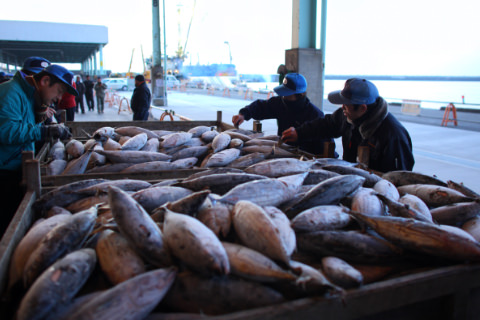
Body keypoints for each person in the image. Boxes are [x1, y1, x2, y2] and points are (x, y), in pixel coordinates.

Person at [0, 64, 75, 236]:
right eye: (59, 90)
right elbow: (5, 130)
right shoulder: (11, 92)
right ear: (45, 81)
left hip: (17, 168)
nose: (59, 98)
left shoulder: (28, 96)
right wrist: (44, 131)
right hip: (4, 172)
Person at [281, 78, 415, 172]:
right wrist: (299, 133)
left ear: (362, 108)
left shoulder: (393, 136)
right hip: (350, 178)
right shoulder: (348, 115)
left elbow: (400, 176)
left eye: (346, 105)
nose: (342, 108)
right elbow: (327, 125)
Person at [232, 73, 335, 155]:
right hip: (281, 151)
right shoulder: (281, 103)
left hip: (306, 157)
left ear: (301, 94)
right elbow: (261, 106)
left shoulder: (315, 115)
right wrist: (243, 114)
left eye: (287, 94)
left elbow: (324, 147)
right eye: (283, 94)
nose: (284, 98)